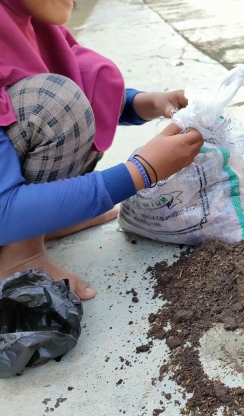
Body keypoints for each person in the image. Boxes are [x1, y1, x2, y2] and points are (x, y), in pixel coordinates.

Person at [0, 0, 203, 300]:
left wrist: (151, 102)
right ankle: (20, 257)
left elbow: (89, 89)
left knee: (70, 100)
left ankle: (44, 222)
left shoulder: (24, 21)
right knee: (57, 104)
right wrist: (141, 172)